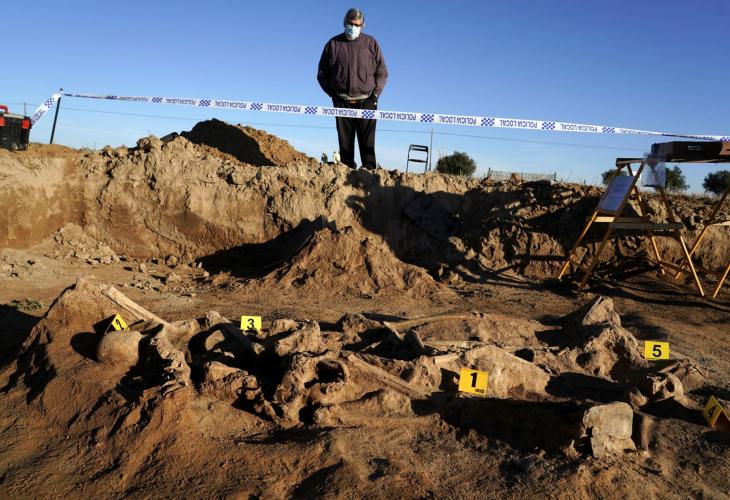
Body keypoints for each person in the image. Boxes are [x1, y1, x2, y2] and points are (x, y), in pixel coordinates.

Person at [317, 8, 388, 169]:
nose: (354, 27)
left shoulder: (371, 43)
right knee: (345, 143)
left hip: (367, 100)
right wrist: (332, 94)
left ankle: (369, 170)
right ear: (345, 22)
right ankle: (347, 170)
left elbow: (382, 72)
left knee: (367, 141)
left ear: (363, 25)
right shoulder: (333, 44)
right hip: (342, 101)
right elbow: (322, 73)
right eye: (351, 24)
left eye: (357, 25)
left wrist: (375, 94)